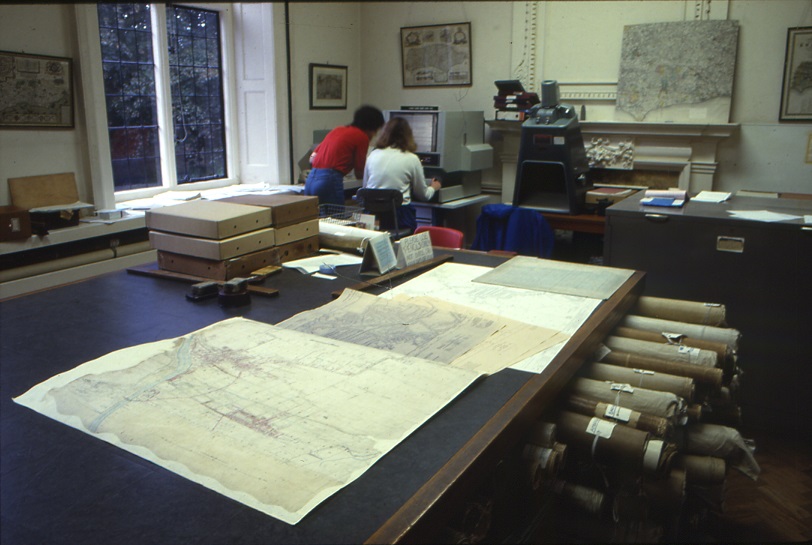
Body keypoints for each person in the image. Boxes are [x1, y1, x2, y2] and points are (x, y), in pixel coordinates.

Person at [362, 116, 442, 232]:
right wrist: (433, 188)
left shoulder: (373, 155)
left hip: (372, 216)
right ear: (408, 136)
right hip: (399, 217)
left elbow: (365, 188)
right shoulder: (411, 158)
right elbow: (423, 195)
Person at [304, 105, 385, 206]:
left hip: (311, 179)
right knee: (337, 219)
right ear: (372, 127)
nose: (375, 135)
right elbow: (359, 172)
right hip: (329, 180)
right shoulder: (361, 136)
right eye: (376, 131)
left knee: (316, 219)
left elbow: (313, 157)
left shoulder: (337, 130)